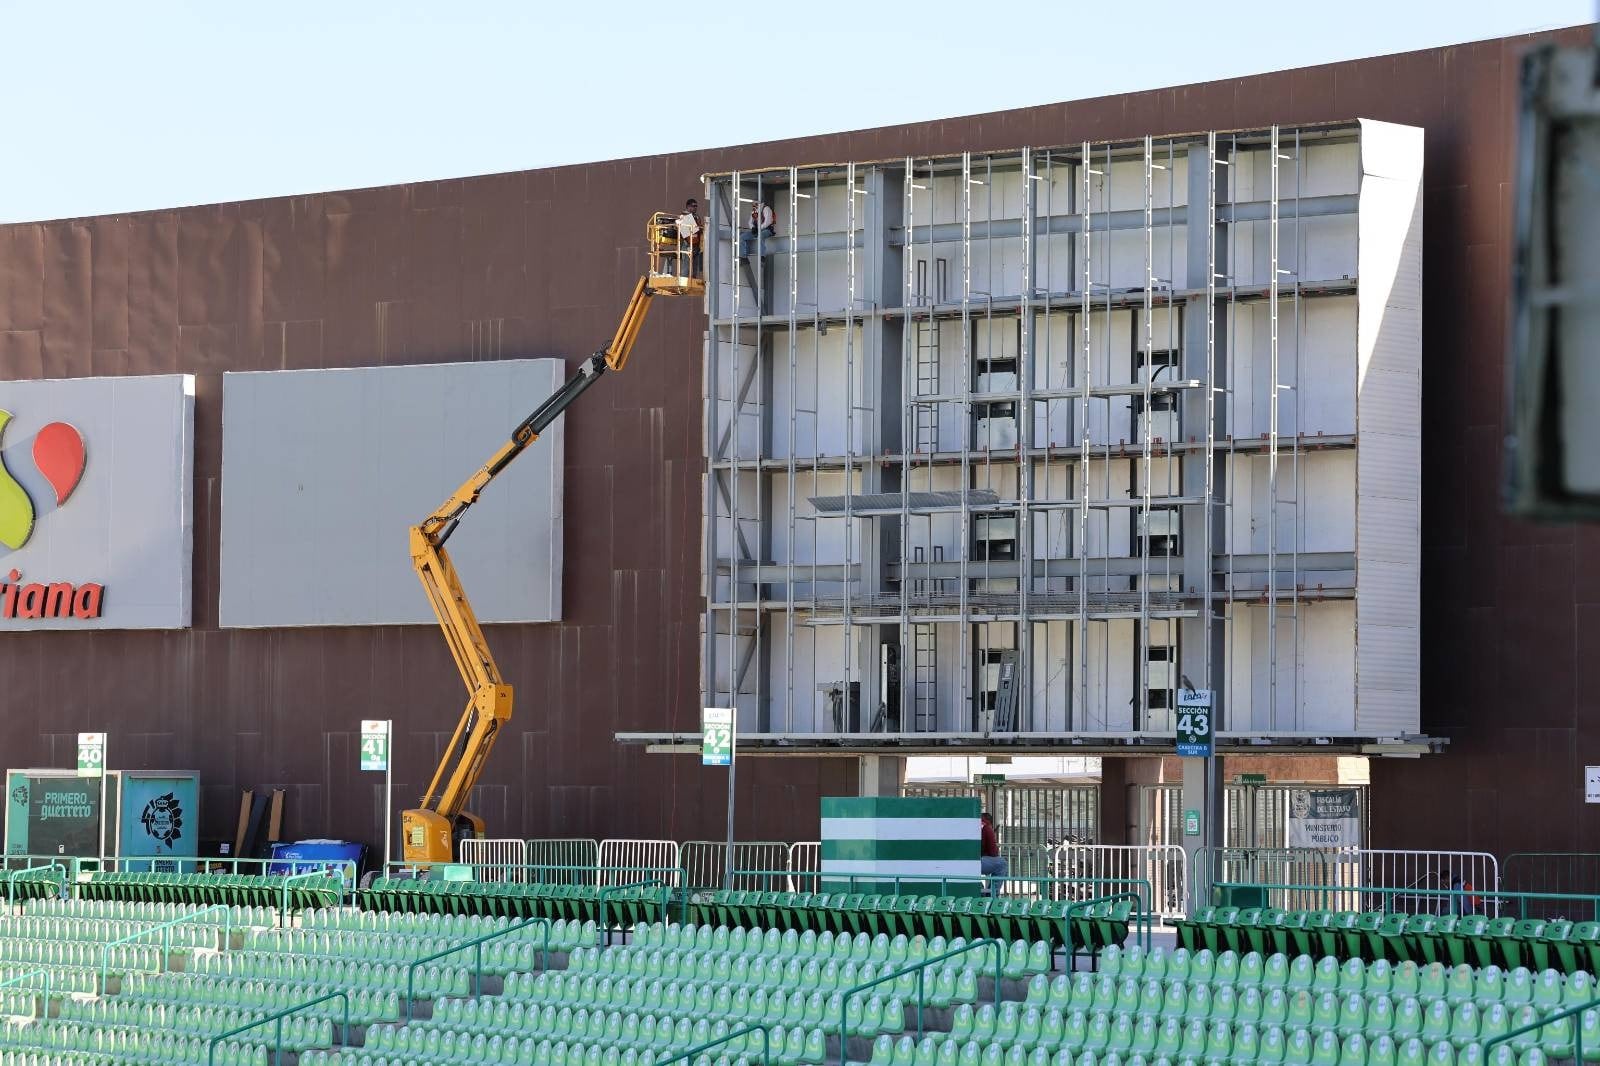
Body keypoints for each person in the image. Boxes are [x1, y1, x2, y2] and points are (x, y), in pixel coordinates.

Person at [980, 812, 1008, 897]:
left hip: (963, 860)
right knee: (1002, 863)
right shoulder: (987, 828)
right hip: (975, 860)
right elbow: (993, 852)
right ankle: (992, 894)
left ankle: (983, 892)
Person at [675, 197, 703, 278]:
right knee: (686, 268)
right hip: (687, 244)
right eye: (693, 206)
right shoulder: (683, 216)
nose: (695, 208)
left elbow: (699, 229)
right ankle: (684, 283)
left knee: (694, 269)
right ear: (688, 206)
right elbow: (685, 232)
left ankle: (693, 281)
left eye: (696, 206)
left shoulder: (696, 217)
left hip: (696, 245)